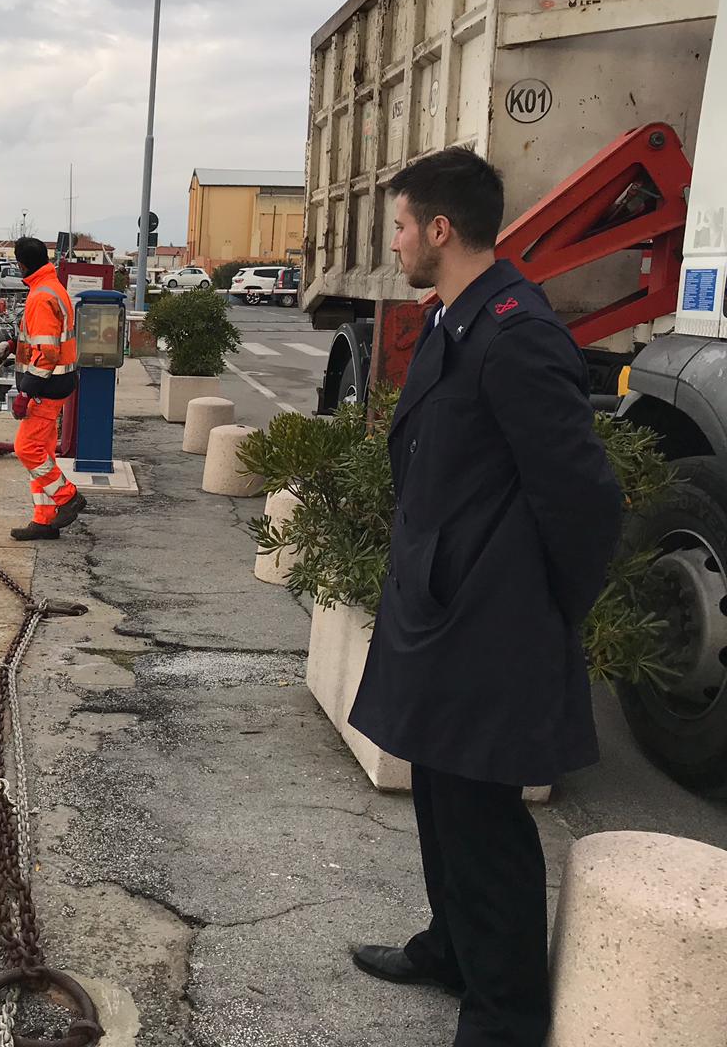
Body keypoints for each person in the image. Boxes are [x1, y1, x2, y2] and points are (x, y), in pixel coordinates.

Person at [346, 147, 624, 1046]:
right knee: (438, 789)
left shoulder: (514, 332)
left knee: (483, 820)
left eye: (398, 225)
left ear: (439, 228)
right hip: (445, 602)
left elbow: (583, 498)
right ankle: (451, 948)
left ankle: (504, 1011)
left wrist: (542, 610)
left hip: (489, 620)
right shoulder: (453, 320)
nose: (392, 243)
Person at [0, 236, 86, 540]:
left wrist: (25, 392)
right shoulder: (51, 288)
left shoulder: (39, 297)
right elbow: (47, 339)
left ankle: (67, 498)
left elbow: (47, 353)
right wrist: (13, 344)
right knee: (43, 453)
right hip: (58, 384)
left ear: (20, 264)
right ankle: (44, 521)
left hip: (46, 388)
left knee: (27, 448)